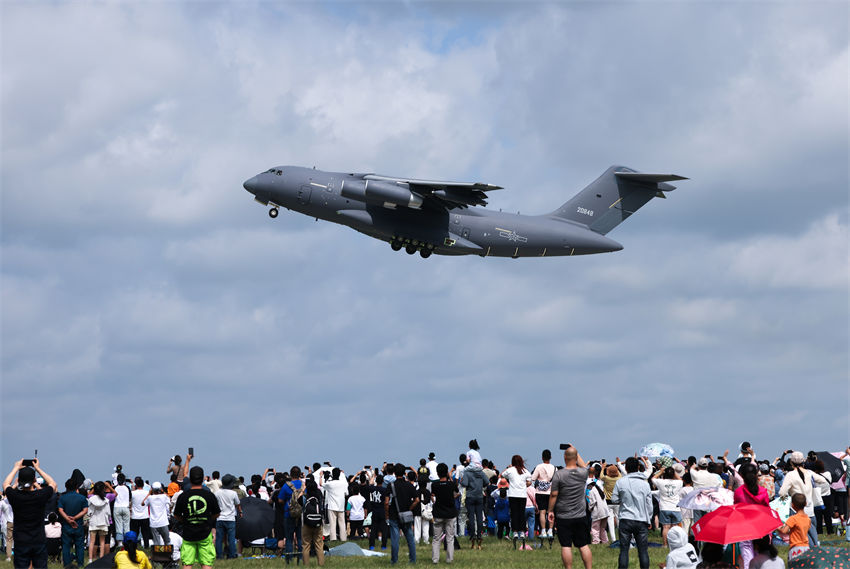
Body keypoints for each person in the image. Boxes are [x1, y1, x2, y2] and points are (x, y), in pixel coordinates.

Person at [2, 460, 57, 569]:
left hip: (21, 540)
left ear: (19, 481)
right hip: (38, 539)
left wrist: (16, 468)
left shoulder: (15, 496)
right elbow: (53, 484)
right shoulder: (40, 495)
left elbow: (5, 485)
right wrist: (38, 469)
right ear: (34, 480)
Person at [548, 445, 592, 569]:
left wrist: (550, 510)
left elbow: (554, 494)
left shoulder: (559, 474)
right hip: (580, 514)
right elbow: (584, 466)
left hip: (563, 515)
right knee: (583, 545)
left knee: (566, 545)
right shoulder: (583, 473)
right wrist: (575, 451)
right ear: (576, 457)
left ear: (564, 457)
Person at [173, 466, 221, 569]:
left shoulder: (183, 496)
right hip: (205, 533)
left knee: (187, 563)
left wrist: (185, 520)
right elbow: (217, 513)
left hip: (188, 534)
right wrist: (208, 520)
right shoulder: (209, 495)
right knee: (206, 563)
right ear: (203, 478)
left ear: (190, 479)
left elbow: (176, 515)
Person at [612, 456, 653, 569]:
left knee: (624, 550)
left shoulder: (620, 482)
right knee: (643, 550)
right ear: (638, 467)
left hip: (625, 518)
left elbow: (614, 499)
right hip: (641, 519)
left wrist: (623, 499)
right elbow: (649, 504)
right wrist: (649, 518)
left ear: (626, 468)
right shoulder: (645, 484)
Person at [384, 463, 419, 565]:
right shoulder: (409, 485)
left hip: (394, 514)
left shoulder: (391, 485)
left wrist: (387, 515)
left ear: (394, 473)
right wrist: (410, 508)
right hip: (406, 514)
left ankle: (394, 561)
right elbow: (417, 500)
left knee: (395, 540)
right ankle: (412, 560)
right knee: (410, 539)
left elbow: (386, 502)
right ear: (404, 473)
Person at [430, 463, 459, 564]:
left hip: (438, 513)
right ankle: (449, 559)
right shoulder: (451, 485)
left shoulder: (434, 485)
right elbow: (457, 492)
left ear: (437, 473)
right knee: (450, 538)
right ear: (447, 472)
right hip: (450, 513)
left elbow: (433, 495)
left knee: (436, 538)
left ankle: (435, 559)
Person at [58, 477, 88, 568]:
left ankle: (67, 565)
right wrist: (75, 518)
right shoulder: (82, 498)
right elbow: (85, 510)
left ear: (66, 487)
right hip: (78, 524)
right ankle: (80, 564)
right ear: (76, 487)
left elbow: (60, 510)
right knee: (79, 546)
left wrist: (68, 519)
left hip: (66, 525)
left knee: (66, 546)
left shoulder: (62, 498)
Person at [501, 455, 532, 541]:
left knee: (514, 514)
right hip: (522, 495)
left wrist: (508, 467)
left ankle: (514, 532)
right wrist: (524, 485)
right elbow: (530, 481)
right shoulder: (525, 471)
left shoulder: (510, 470)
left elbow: (502, 475)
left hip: (513, 495)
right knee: (521, 514)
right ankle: (522, 532)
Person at [652, 466, 683, 546]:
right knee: (675, 527)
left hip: (664, 507)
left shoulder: (661, 482)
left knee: (666, 527)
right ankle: (674, 544)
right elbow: (680, 479)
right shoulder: (678, 483)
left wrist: (661, 472)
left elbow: (653, 478)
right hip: (675, 508)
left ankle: (665, 545)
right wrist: (673, 472)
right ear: (673, 474)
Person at [460, 460, 487, 549]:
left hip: (470, 496)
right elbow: (487, 482)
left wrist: (461, 481)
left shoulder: (467, 473)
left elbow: (464, 484)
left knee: (471, 517)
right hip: (479, 496)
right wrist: (480, 485)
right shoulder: (481, 472)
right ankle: (479, 535)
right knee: (479, 517)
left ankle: (472, 535)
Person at [214, 475, 240, 559]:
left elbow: (215, 503)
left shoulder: (217, 493)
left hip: (220, 518)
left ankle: (219, 555)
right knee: (231, 539)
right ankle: (232, 555)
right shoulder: (233, 493)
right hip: (230, 518)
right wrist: (240, 512)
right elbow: (237, 504)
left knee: (219, 539)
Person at [531, 449, 556, 539]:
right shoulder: (554, 468)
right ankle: (550, 531)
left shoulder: (539, 466)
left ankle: (543, 531)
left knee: (542, 512)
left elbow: (533, 478)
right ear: (551, 457)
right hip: (551, 492)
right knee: (551, 512)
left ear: (542, 457)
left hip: (540, 492)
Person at [300, 477, 325, 567]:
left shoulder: (305, 498)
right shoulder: (319, 497)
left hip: (307, 523)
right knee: (319, 545)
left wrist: (303, 489)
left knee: (306, 545)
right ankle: (321, 564)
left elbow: (298, 500)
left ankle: (306, 565)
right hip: (318, 523)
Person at [778, 493, 810, 561]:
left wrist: (777, 527)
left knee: (794, 565)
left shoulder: (793, 519)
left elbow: (784, 531)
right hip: (806, 548)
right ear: (806, 503)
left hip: (796, 548)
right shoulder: (808, 519)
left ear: (792, 505)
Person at [88, 480, 113, 562]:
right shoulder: (106, 500)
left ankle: (90, 559)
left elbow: (89, 512)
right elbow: (108, 513)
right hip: (103, 522)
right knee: (102, 542)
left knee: (92, 542)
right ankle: (101, 559)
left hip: (93, 522)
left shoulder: (91, 499)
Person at [144, 481, 172, 546]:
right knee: (167, 541)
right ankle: (168, 552)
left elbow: (143, 503)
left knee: (156, 543)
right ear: (160, 489)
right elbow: (170, 500)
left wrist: (149, 493)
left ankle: (157, 552)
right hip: (163, 522)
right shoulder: (164, 497)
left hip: (154, 523)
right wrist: (163, 491)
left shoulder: (150, 498)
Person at [323, 468, 347, 542]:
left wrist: (321, 476)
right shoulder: (343, 483)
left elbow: (321, 484)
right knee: (342, 523)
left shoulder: (330, 484)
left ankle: (333, 539)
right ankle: (343, 538)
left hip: (332, 506)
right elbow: (346, 493)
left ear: (332, 474)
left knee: (332, 524)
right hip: (341, 506)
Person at [366, 475, 388, 551]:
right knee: (384, 529)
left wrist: (373, 476)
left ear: (376, 481)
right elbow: (386, 502)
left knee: (373, 529)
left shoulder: (372, 489)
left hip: (374, 510)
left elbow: (370, 483)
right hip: (382, 510)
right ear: (383, 481)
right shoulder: (385, 490)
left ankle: (372, 546)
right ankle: (383, 546)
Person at [130, 476, 153, 548]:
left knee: (134, 534)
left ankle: (133, 547)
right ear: (143, 485)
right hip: (145, 516)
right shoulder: (147, 493)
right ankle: (146, 547)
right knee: (145, 534)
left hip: (135, 516)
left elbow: (130, 502)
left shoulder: (132, 493)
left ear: (136, 485)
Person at [114, 472, 132, 547]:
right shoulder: (127, 488)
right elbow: (130, 497)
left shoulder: (115, 488)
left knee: (118, 525)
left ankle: (120, 542)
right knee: (127, 525)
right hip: (126, 507)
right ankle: (127, 541)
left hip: (117, 507)